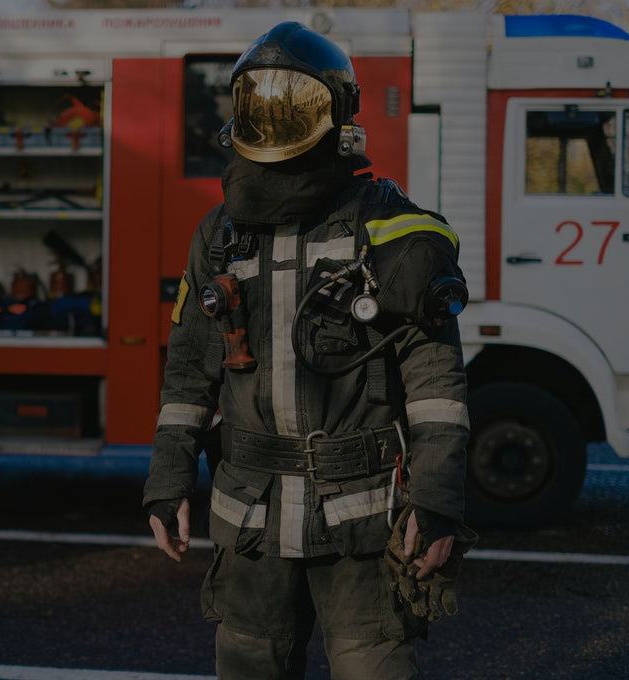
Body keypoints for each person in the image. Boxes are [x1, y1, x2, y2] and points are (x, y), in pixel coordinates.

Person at [143, 21, 476, 680]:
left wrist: (437, 502)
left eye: (290, 104)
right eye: (259, 104)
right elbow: (188, 372)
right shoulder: (219, 236)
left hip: (361, 519)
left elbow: (436, 383)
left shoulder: (391, 233)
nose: (273, 118)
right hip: (251, 517)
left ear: (337, 112)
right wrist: (167, 481)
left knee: (374, 668)